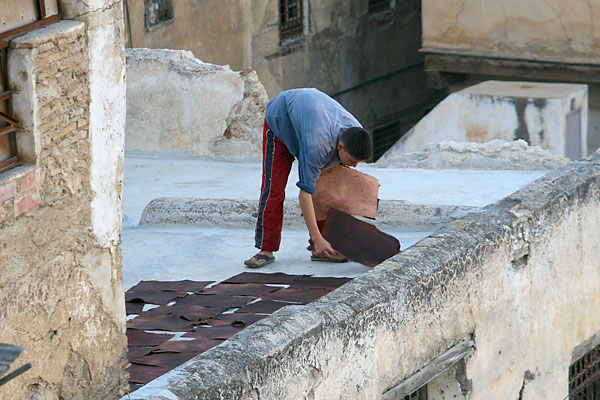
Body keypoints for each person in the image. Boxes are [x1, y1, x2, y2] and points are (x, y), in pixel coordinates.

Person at [244, 88, 373, 268]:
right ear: (341, 147)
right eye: (352, 161)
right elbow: (305, 195)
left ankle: (320, 247)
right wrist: (317, 237)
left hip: (309, 122)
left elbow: (335, 189)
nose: (354, 166)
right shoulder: (317, 147)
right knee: (274, 190)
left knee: (330, 188)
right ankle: (266, 249)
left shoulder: (355, 131)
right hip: (280, 122)